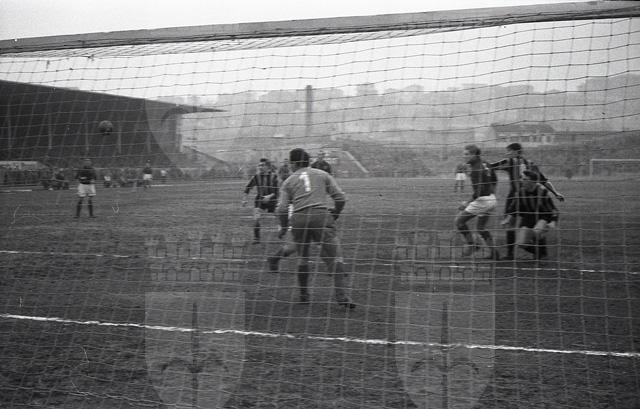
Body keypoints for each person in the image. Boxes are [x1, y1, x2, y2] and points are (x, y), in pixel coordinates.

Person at [273, 148, 354, 308]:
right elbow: (340, 198)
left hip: (299, 219)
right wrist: (336, 213)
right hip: (320, 216)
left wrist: (283, 227)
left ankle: (304, 294)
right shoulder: (322, 174)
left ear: (294, 163)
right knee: (336, 256)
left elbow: (282, 209)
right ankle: (341, 296)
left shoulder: (288, 181)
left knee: (303, 257)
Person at [488, 142, 564, 260]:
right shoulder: (530, 164)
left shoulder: (509, 162)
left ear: (517, 152)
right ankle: (538, 251)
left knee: (515, 224)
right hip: (523, 198)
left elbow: (491, 166)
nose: (507, 153)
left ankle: (514, 253)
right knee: (530, 223)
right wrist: (555, 193)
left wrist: (484, 167)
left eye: (509, 151)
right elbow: (544, 180)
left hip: (518, 197)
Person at [455, 145, 500, 260]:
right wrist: (492, 194)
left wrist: (466, 203)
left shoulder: (475, 169)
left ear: (474, 154)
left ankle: (473, 244)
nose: (464, 156)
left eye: (466, 154)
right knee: (481, 228)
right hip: (492, 199)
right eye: (464, 154)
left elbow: (478, 192)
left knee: (459, 221)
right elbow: (494, 179)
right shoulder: (485, 163)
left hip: (483, 201)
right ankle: (494, 253)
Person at [502, 170, 559, 260]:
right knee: (521, 243)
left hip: (543, 217)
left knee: (537, 231)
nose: (521, 181)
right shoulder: (521, 192)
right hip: (528, 217)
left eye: (525, 179)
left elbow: (553, 210)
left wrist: (553, 222)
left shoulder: (542, 192)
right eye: (522, 178)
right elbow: (514, 208)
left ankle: (542, 252)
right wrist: (507, 219)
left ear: (532, 181)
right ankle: (539, 253)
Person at [242, 158, 279, 244]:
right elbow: (247, 188)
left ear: (268, 167)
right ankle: (256, 238)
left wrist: (269, 196)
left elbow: (277, 192)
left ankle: (283, 232)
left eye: (262, 165)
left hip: (272, 200)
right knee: (256, 218)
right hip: (260, 200)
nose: (260, 167)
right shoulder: (256, 176)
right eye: (259, 165)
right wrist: (244, 199)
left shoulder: (274, 176)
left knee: (280, 217)